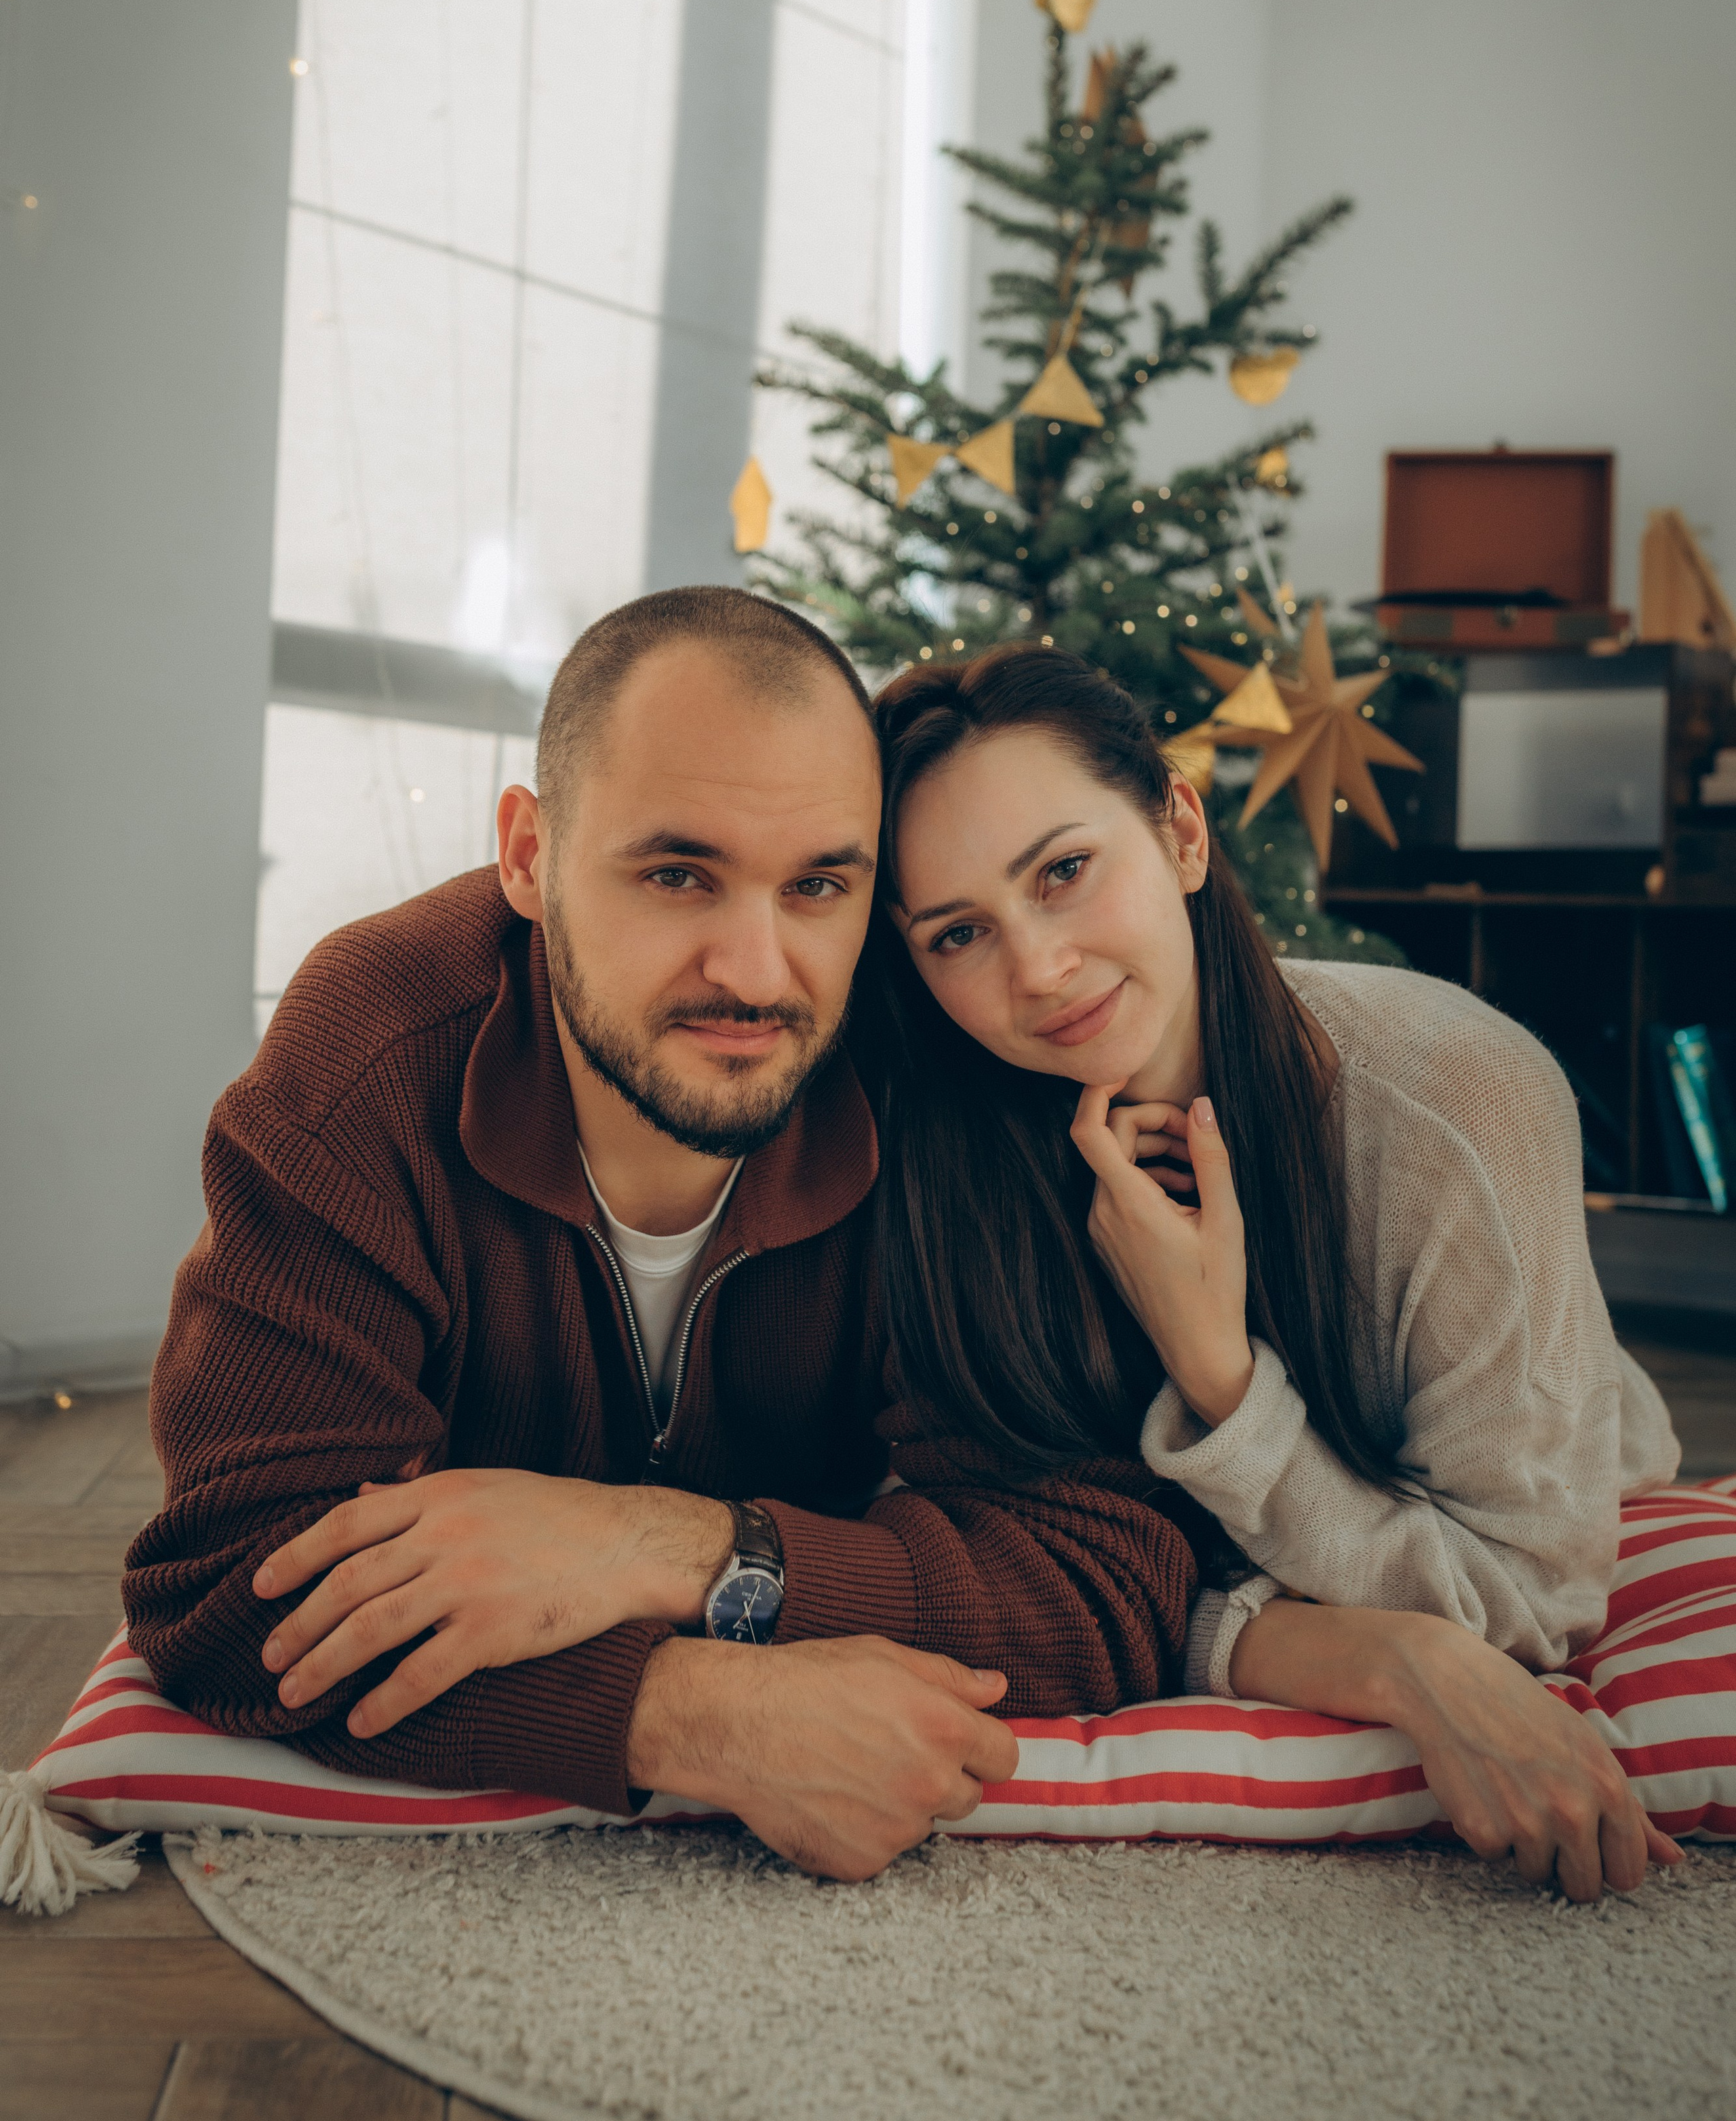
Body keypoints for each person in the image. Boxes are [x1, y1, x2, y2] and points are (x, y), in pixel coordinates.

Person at [125, 589, 1217, 1885]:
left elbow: (1100, 1578)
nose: (756, 971)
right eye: (677, 874)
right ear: (529, 856)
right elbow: (227, 1584)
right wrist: (692, 1713)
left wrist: (661, 1546)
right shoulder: (368, 1058)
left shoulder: (927, 1063)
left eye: (819, 885)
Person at [862, 640, 1686, 1902]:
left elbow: (1534, 1596)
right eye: (958, 933)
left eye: (1067, 872)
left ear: (1183, 832)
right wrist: (1379, 1659)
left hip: (1547, 1479)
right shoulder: (945, 1158)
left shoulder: (1458, 1101)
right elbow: (1045, 1565)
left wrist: (1221, 1378)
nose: (1036, 970)